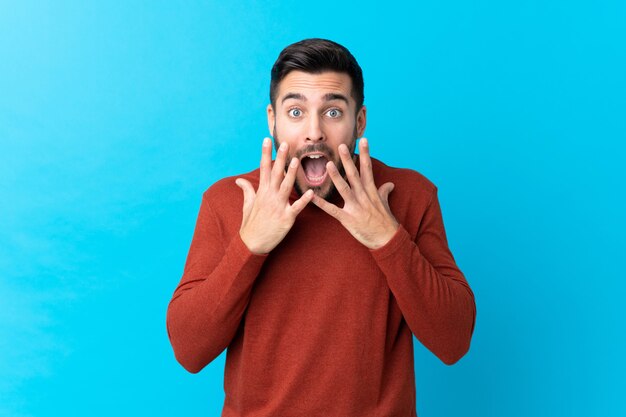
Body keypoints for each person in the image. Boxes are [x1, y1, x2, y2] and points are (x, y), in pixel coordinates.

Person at [166, 38, 476, 416]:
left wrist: (387, 237)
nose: (314, 132)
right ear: (272, 120)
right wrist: (250, 245)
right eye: (296, 112)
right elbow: (189, 350)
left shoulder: (410, 195)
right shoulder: (229, 201)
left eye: (332, 112)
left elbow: (454, 340)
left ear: (359, 121)